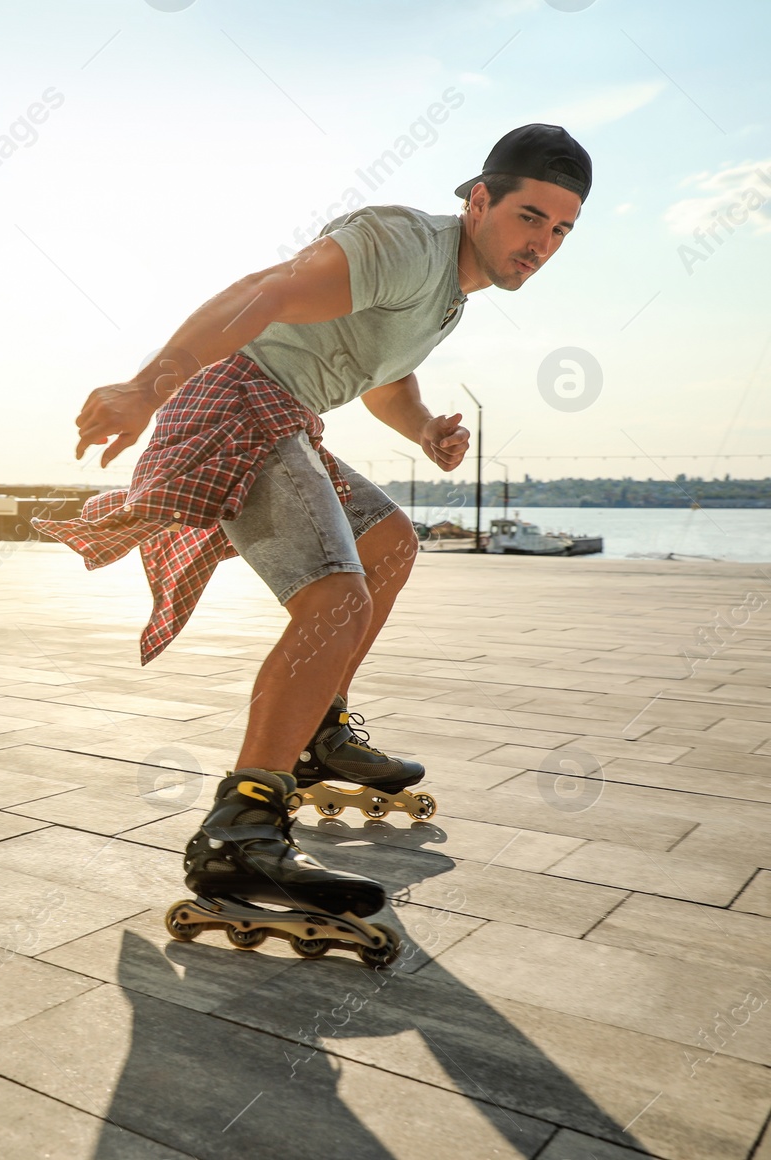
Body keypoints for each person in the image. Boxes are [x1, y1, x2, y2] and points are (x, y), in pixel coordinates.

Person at [33, 124, 592, 963]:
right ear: (478, 200)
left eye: (560, 231)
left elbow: (386, 379)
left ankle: (318, 731)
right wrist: (148, 384)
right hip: (234, 402)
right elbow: (266, 290)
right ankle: (242, 827)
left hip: (284, 417)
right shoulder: (406, 243)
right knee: (336, 597)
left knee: (391, 544)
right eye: (528, 217)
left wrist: (424, 431)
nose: (541, 244)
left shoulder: (446, 294)